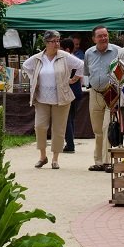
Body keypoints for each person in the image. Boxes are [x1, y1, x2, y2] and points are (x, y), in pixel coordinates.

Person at [21, 30, 85, 169]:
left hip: (61, 98)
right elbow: (25, 66)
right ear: (46, 43)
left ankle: (55, 158)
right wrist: (34, 78)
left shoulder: (65, 56)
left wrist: (74, 79)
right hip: (42, 98)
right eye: (53, 41)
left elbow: (81, 65)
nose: (57, 44)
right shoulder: (38, 58)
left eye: (58, 41)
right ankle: (43, 156)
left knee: (59, 128)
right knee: (39, 127)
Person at [84, 25, 121, 172]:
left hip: (111, 91)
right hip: (94, 92)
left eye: (105, 35)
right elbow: (87, 72)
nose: (104, 38)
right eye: (100, 36)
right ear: (94, 39)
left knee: (107, 127)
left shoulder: (118, 51)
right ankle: (98, 161)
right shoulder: (88, 53)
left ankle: (108, 162)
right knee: (97, 129)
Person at [59, 36, 84, 153]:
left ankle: (70, 144)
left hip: (69, 91)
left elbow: (81, 69)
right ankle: (70, 141)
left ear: (67, 50)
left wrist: (71, 80)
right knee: (71, 118)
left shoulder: (68, 60)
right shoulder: (74, 59)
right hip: (77, 92)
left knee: (67, 118)